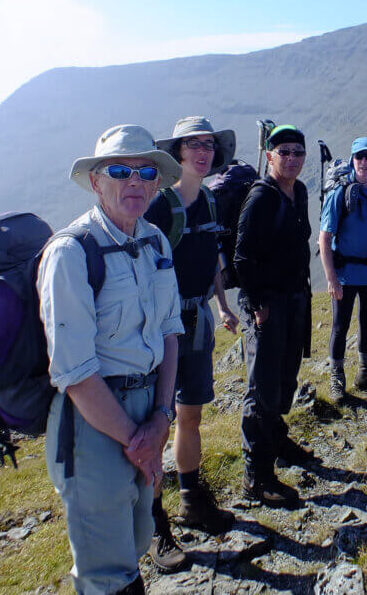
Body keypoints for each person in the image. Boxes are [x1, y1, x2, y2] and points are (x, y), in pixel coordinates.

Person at [38, 124, 183, 595]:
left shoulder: (156, 242)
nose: (134, 181)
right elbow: (76, 374)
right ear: (96, 182)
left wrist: (161, 420)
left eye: (145, 171)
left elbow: (170, 332)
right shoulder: (72, 252)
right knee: (107, 573)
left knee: (137, 540)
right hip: (93, 425)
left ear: (158, 183)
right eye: (119, 170)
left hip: (147, 412)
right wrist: (137, 440)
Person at [143, 116, 239, 572]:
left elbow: (212, 258)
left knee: (191, 414)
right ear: (178, 153)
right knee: (156, 422)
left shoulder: (211, 202)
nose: (202, 151)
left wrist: (220, 305)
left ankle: (191, 499)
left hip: (197, 318)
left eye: (208, 145)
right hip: (162, 328)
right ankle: (155, 525)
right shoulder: (160, 206)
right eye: (192, 145)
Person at [234, 124, 314, 509]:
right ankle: (257, 476)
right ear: (269, 157)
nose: (293, 158)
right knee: (262, 388)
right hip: (267, 305)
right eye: (284, 152)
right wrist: (257, 306)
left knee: (285, 377)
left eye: (298, 152)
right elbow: (242, 257)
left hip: (294, 299)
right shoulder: (260, 198)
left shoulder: (299, 192)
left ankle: (277, 441)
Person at [318, 137, 367, 403]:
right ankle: (337, 380)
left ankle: (366, 375)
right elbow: (324, 239)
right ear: (352, 159)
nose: (364, 162)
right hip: (345, 273)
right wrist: (331, 279)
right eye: (359, 157)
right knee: (340, 327)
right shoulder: (340, 192)